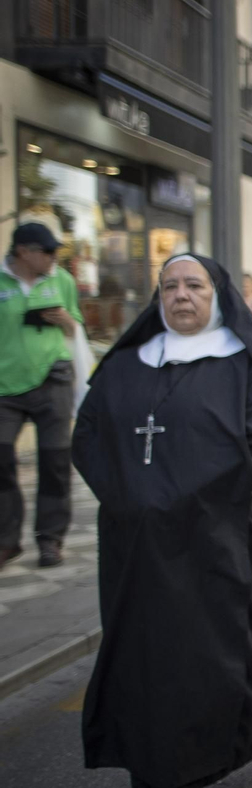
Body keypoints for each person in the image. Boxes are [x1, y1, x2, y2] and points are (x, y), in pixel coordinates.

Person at [71, 254, 252, 788]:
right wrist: (133, 499)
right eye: (170, 286)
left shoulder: (244, 365)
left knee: (231, 651)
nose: (181, 295)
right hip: (141, 550)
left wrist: (181, 501)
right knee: (148, 664)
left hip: (222, 536)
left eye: (194, 285)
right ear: (157, 297)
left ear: (216, 296)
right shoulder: (125, 365)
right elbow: (89, 437)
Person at [0, 222, 83, 569]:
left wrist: (64, 319)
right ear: (23, 252)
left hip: (54, 378)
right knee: (2, 462)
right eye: (47, 252)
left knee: (54, 463)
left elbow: (75, 327)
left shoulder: (61, 280)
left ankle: (51, 539)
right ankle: (6, 540)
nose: (53, 258)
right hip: (5, 385)